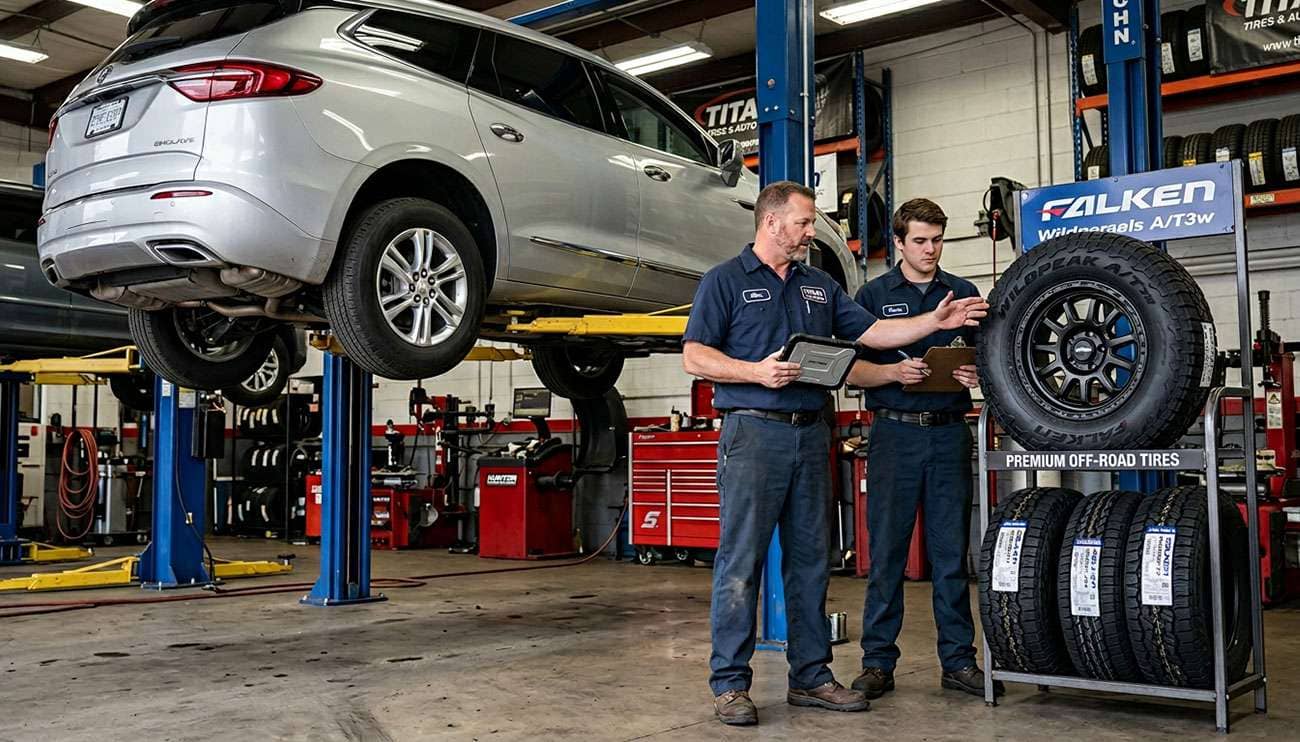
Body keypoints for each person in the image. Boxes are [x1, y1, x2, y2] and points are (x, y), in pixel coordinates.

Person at [682, 182, 988, 726]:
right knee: (740, 565)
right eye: (803, 222)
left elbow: (874, 333)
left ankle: (811, 675)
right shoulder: (724, 281)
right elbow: (695, 356)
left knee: (810, 562)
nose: (809, 231)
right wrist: (755, 371)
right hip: (752, 435)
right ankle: (730, 684)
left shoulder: (819, 286)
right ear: (772, 222)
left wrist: (933, 324)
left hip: (810, 434)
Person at [846, 198, 1004, 700]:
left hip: (949, 431)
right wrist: (893, 371)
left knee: (950, 554)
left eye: (937, 239)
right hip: (893, 435)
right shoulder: (871, 295)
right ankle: (877, 663)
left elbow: (988, 358)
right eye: (919, 240)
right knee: (887, 552)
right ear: (898, 243)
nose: (930, 249)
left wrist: (976, 374)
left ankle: (958, 661)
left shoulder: (963, 293)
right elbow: (849, 369)